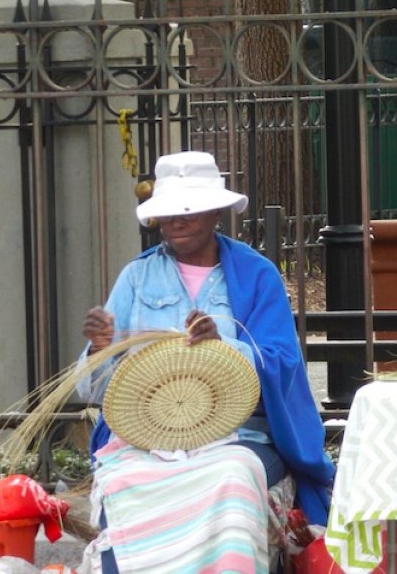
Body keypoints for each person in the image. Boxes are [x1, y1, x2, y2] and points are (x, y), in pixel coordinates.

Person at [77, 150, 335, 573]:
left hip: (242, 438)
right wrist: (99, 350)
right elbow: (90, 389)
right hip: (149, 440)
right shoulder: (136, 278)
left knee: (230, 476)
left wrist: (224, 350)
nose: (178, 221)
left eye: (190, 210)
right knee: (122, 480)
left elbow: (284, 364)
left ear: (216, 211)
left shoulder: (257, 275)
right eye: (169, 213)